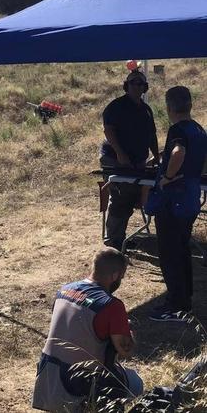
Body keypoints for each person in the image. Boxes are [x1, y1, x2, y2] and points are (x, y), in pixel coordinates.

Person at [32, 248, 144, 412]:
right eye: (121, 277)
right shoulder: (111, 305)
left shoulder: (64, 290)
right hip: (76, 387)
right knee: (135, 384)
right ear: (115, 276)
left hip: (47, 381)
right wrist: (127, 330)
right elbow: (125, 351)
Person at [148, 86, 207, 322]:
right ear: (190, 105)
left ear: (169, 107)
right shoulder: (199, 129)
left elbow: (178, 152)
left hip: (174, 200)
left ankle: (176, 306)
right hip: (190, 197)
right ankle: (184, 298)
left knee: (170, 252)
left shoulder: (178, 130)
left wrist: (168, 177)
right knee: (181, 249)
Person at [100, 69, 159, 250]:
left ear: (145, 87)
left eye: (140, 83)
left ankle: (120, 237)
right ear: (127, 86)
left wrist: (156, 157)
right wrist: (120, 153)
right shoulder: (116, 106)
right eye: (133, 83)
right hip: (115, 159)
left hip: (136, 161)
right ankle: (113, 240)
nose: (137, 86)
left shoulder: (146, 109)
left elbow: (152, 136)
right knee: (120, 195)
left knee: (134, 194)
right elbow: (108, 130)